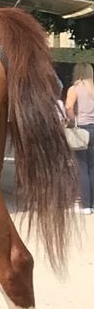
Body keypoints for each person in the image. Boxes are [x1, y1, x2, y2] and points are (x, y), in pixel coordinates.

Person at [64, 62, 94, 215]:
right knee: (92, 167)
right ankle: (92, 203)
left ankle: (85, 204)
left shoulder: (74, 89)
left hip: (81, 129)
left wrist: (71, 120)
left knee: (81, 167)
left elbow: (69, 107)